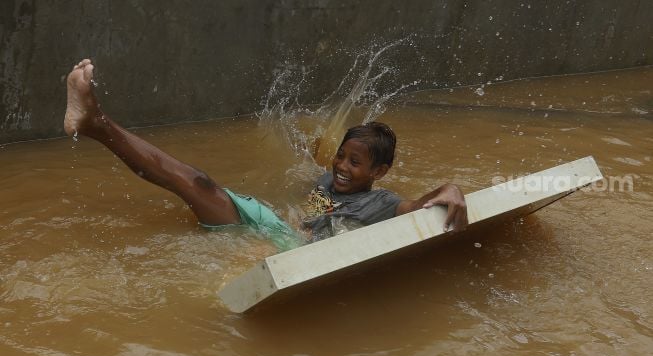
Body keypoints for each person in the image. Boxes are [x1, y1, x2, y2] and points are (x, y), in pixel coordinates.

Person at [64, 59, 467, 251]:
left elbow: (415, 208)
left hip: (290, 248)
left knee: (194, 185)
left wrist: (448, 188)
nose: (342, 167)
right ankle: (97, 125)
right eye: (341, 156)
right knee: (196, 184)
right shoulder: (329, 180)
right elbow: (318, 197)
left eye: (355, 163)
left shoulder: (381, 201)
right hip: (278, 231)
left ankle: (98, 124)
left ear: (380, 171)